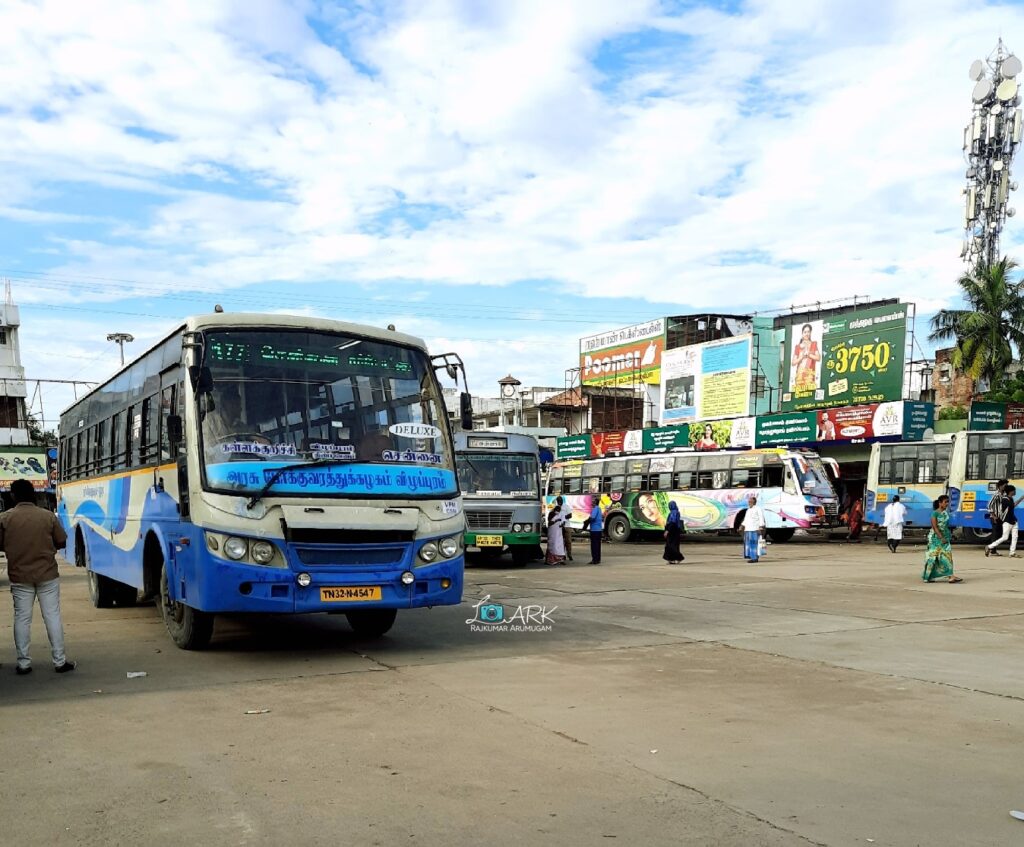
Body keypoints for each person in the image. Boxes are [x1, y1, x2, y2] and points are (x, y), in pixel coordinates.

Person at [2, 478, 75, 674]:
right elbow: (61, 541)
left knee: (22, 618)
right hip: (47, 574)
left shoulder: (5, 518)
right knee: (52, 616)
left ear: (13, 495)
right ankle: (60, 661)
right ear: (33, 494)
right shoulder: (47, 516)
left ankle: (24, 663)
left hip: (20, 576)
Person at [923, 495, 963, 583]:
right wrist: (941, 537)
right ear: (940, 503)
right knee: (932, 558)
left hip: (945, 537)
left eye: (948, 502)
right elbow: (934, 527)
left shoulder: (945, 513)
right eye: (945, 502)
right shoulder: (935, 513)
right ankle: (928, 576)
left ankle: (951, 576)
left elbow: (946, 526)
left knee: (947, 556)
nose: (947, 504)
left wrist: (949, 535)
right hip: (935, 538)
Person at [985, 484, 1023, 558]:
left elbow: (1012, 506)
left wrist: (1021, 499)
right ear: (1010, 492)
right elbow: (1013, 505)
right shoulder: (1005, 499)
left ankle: (1012, 552)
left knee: (1015, 537)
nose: (1015, 492)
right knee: (1005, 537)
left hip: (1013, 521)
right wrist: (1021, 498)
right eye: (1014, 491)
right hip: (1007, 521)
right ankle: (989, 547)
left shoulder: (1010, 498)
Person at [792, 323, 821, 391]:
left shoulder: (813, 344)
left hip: (810, 374)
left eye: (808, 332)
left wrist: (809, 355)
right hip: (800, 374)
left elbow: (818, 358)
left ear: (810, 333)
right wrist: (801, 357)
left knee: (810, 392)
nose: (806, 334)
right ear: (802, 333)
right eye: (805, 332)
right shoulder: (798, 347)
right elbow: (793, 362)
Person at [984, 479, 1010, 552]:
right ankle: (992, 550)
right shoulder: (996, 495)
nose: (1006, 487)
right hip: (995, 517)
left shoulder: (1005, 495)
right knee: (995, 533)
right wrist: (994, 516)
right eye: (1005, 485)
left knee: (999, 533)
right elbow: (989, 505)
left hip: (1001, 517)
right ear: (1000, 486)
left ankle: (992, 548)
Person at [742, 494, 765, 562]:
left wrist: (761, 527)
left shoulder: (758, 509)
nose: (749, 502)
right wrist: (742, 526)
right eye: (749, 501)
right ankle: (751, 556)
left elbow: (761, 518)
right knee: (748, 544)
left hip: (755, 529)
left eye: (750, 501)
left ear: (754, 502)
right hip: (748, 529)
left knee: (754, 544)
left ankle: (754, 558)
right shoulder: (748, 510)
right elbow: (746, 519)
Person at [545, 497, 566, 565]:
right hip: (552, 532)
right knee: (553, 545)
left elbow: (563, 521)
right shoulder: (551, 513)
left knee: (559, 545)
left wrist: (562, 524)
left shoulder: (562, 512)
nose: (558, 512)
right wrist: (557, 520)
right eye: (557, 510)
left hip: (559, 532)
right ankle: (551, 560)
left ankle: (560, 560)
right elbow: (550, 523)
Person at [582, 500, 604, 564]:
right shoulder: (599, 509)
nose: (592, 503)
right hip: (599, 530)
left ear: (595, 503)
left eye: (593, 502)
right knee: (598, 546)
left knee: (594, 546)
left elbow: (592, 518)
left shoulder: (595, 509)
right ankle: (598, 559)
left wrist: (586, 522)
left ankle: (594, 560)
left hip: (594, 530)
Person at [560, 497, 574, 561]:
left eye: (560, 501)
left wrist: (564, 517)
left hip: (567, 526)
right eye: (558, 501)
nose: (559, 502)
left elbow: (570, 515)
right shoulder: (557, 507)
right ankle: (563, 555)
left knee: (568, 541)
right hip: (560, 526)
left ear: (562, 501)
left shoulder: (566, 506)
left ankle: (569, 554)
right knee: (561, 542)